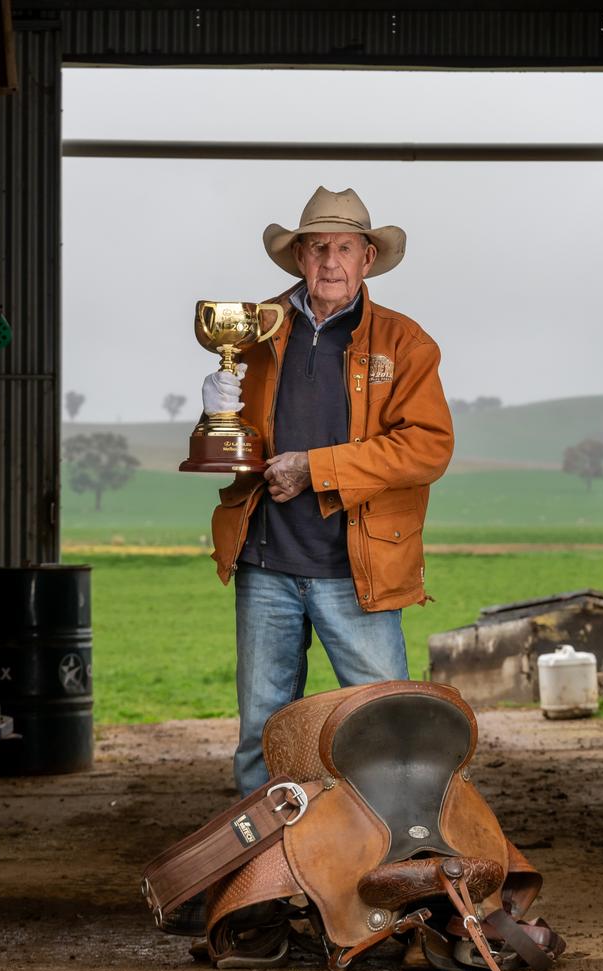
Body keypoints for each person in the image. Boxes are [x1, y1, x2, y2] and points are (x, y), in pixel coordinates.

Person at [203, 186, 454, 796]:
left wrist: (316, 468)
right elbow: (238, 448)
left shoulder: (404, 342)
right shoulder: (256, 331)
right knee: (260, 737)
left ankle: (399, 870)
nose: (331, 262)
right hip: (267, 563)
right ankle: (266, 881)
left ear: (368, 259)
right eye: (318, 248)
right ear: (299, 257)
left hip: (357, 569)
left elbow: (428, 446)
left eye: (345, 248)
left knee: (389, 732)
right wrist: (214, 416)